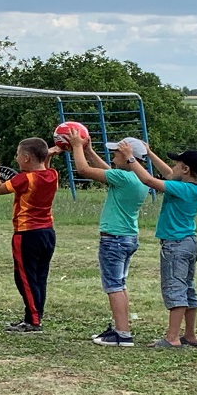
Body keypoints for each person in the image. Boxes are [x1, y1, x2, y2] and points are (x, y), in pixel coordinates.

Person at [68, 133, 150, 346]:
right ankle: (120, 328)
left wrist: (77, 146)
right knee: (120, 285)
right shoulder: (138, 178)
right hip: (128, 237)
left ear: (128, 156)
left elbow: (83, 170)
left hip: (114, 239)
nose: (113, 155)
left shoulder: (123, 178)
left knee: (113, 286)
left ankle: (122, 334)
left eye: (116, 152)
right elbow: (108, 171)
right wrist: (88, 151)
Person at [124, 145, 197, 348]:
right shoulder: (193, 188)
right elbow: (169, 175)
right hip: (189, 243)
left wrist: (131, 159)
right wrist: (150, 154)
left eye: (177, 164)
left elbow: (149, 181)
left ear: (185, 169)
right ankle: (190, 334)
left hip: (175, 245)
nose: (172, 167)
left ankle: (172, 338)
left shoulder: (181, 188)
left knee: (175, 288)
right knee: (188, 289)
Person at [0, 138, 59, 334]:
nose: (16, 158)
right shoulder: (53, 174)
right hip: (47, 232)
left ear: (26, 158)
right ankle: (34, 316)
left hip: (27, 234)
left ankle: (33, 321)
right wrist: (48, 155)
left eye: (18, 155)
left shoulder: (24, 179)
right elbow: (44, 168)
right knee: (39, 277)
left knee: (25, 278)